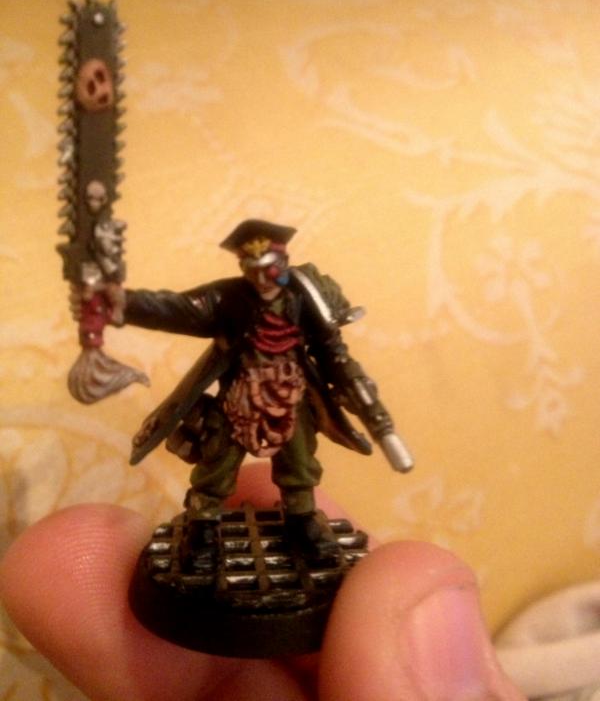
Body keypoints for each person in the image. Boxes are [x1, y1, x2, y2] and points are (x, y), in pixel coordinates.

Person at [0, 463, 525, 701]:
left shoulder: (308, 306)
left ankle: (304, 531)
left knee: (295, 481)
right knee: (216, 483)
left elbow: (332, 357)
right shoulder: (234, 309)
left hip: (288, 418)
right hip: (230, 418)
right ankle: (203, 533)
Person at [120, 218, 406, 560]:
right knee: (217, 462)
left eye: (268, 268)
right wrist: (119, 301)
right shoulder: (228, 298)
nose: (261, 278)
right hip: (240, 395)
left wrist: (355, 386)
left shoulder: (308, 296)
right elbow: (175, 308)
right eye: (251, 268)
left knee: (300, 463)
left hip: (291, 393)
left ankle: (301, 519)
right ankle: (203, 523)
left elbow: (332, 350)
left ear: (282, 262)